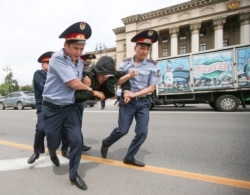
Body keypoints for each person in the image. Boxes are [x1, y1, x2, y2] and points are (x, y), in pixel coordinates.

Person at [42, 21, 99, 191]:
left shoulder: (80, 62)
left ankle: (73, 175)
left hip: (70, 108)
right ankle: (52, 151)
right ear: (65, 45)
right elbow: (73, 83)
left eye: (82, 49)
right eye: (75, 48)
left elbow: (79, 81)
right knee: (53, 141)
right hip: (52, 108)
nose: (79, 53)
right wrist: (91, 89)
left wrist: (86, 80)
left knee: (76, 141)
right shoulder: (57, 58)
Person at [100, 30, 160, 167]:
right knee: (122, 130)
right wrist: (129, 76)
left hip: (143, 102)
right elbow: (117, 82)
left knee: (142, 132)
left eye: (147, 49)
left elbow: (151, 88)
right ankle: (106, 142)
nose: (145, 51)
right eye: (142, 48)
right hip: (127, 102)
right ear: (135, 48)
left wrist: (133, 94)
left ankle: (129, 156)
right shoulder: (126, 63)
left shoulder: (153, 65)